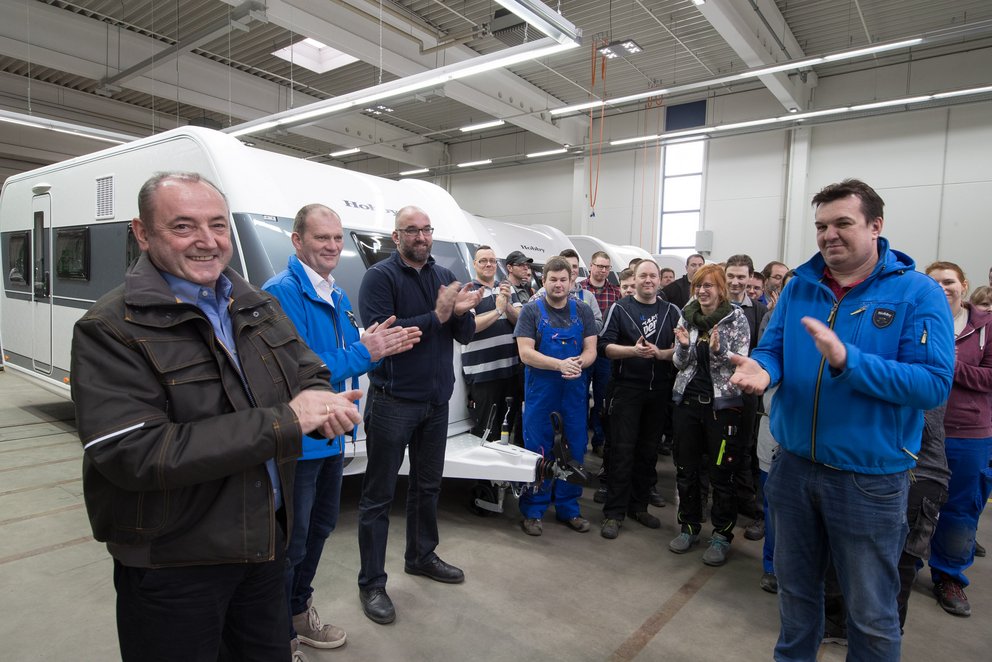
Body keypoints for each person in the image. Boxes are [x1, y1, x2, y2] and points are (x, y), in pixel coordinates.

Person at [71, 173, 362, 662]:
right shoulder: (111, 328)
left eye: (218, 225)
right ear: (142, 233)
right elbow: (132, 454)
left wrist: (322, 399)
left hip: (263, 545)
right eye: (184, 226)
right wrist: (286, 420)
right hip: (175, 563)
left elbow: (308, 368)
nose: (208, 241)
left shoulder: (256, 305)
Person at [731, 179, 954, 660]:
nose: (828, 234)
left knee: (871, 613)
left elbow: (933, 384)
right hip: (793, 469)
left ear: (876, 226)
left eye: (842, 223)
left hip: (868, 480)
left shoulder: (917, 293)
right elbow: (774, 349)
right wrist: (763, 368)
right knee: (795, 597)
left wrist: (849, 362)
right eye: (821, 226)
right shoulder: (799, 287)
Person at [263, 204, 420, 652]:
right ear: (297, 241)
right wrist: (364, 353)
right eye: (321, 238)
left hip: (332, 437)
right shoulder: (281, 294)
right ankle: (279, 637)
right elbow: (294, 373)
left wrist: (371, 343)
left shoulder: (335, 294)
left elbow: (343, 350)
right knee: (291, 545)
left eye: (337, 238)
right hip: (300, 443)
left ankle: (297, 612)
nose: (333, 247)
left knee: (320, 530)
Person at [356, 206, 481, 625]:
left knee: (428, 486)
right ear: (396, 237)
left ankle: (421, 556)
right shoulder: (380, 278)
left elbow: (462, 334)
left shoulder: (444, 276)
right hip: (393, 401)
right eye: (412, 231)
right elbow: (387, 335)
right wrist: (441, 314)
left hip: (434, 402)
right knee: (378, 496)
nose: (422, 237)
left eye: (427, 229)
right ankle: (372, 582)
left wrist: (462, 312)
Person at [668, 263, 750, 566]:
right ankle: (688, 526)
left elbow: (741, 362)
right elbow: (679, 362)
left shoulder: (736, 318)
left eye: (709, 286)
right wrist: (686, 347)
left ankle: (721, 535)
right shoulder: (686, 315)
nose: (703, 291)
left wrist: (718, 351)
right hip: (687, 402)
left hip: (722, 408)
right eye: (699, 286)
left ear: (721, 289)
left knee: (720, 474)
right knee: (686, 469)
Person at [924, 261, 992, 618]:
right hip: (919, 431)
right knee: (910, 504)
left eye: (948, 281)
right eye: (933, 282)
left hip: (968, 434)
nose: (942, 287)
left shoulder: (986, 327)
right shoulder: (918, 319)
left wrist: (948, 364)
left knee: (960, 508)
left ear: (964, 285)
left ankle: (949, 576)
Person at [514, 256, 598, 536]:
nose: (559, 284)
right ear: (544, 281)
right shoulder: (531, 311)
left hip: (573, 393)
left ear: (571, 281)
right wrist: (559, 364)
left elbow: (591, 350)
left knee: (574, 449)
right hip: (542, 393)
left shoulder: (583, 311)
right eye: (553, 279)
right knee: (538, 450)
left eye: (564, 279)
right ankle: (534, 510)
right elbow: (525, 353)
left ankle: (568, 508)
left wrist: (579, 364)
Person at [598, 260, 679, 539]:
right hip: (627, 390)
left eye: (652, 276)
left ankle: (639, 506)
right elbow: (604, 347)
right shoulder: (619, 308)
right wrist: (633, 351)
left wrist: (661, 354)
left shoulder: (672, 311)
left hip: (659, 392)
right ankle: (614, 512)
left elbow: (680, 350)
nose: (648, 280)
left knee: (647, 452)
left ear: (659, 280)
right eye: (642, 275)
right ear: (635, 278)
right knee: (622, 450)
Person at [724, 255, 769, 539]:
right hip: (717, 391)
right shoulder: (714, 306)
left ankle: (744, 502)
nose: (736, 282)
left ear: (750, 277)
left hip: (748, 391)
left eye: (742, 277)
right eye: (731, 276)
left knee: (744, 447)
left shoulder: (760, 312)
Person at [461, 245, 522, 441]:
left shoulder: (506, 288)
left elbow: (521, 321)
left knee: (506, 429)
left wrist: (506, 306)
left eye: (492, 261)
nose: (488, 264)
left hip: (510, 371)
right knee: (486, 431)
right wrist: (497, 311)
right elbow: (470, 327)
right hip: (483, 375)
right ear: (474, 265)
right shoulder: (468, 292)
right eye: (483, 261)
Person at [581, 250, 621, 455]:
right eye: (599, 266)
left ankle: (598, 439)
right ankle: (577, 439)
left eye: (606, 267)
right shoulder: (578, 289)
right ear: (591, 266)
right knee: (579, 396)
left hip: (605, 353)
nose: (603, 270)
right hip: (582, 351)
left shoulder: (616, 292)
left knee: (602, 397)